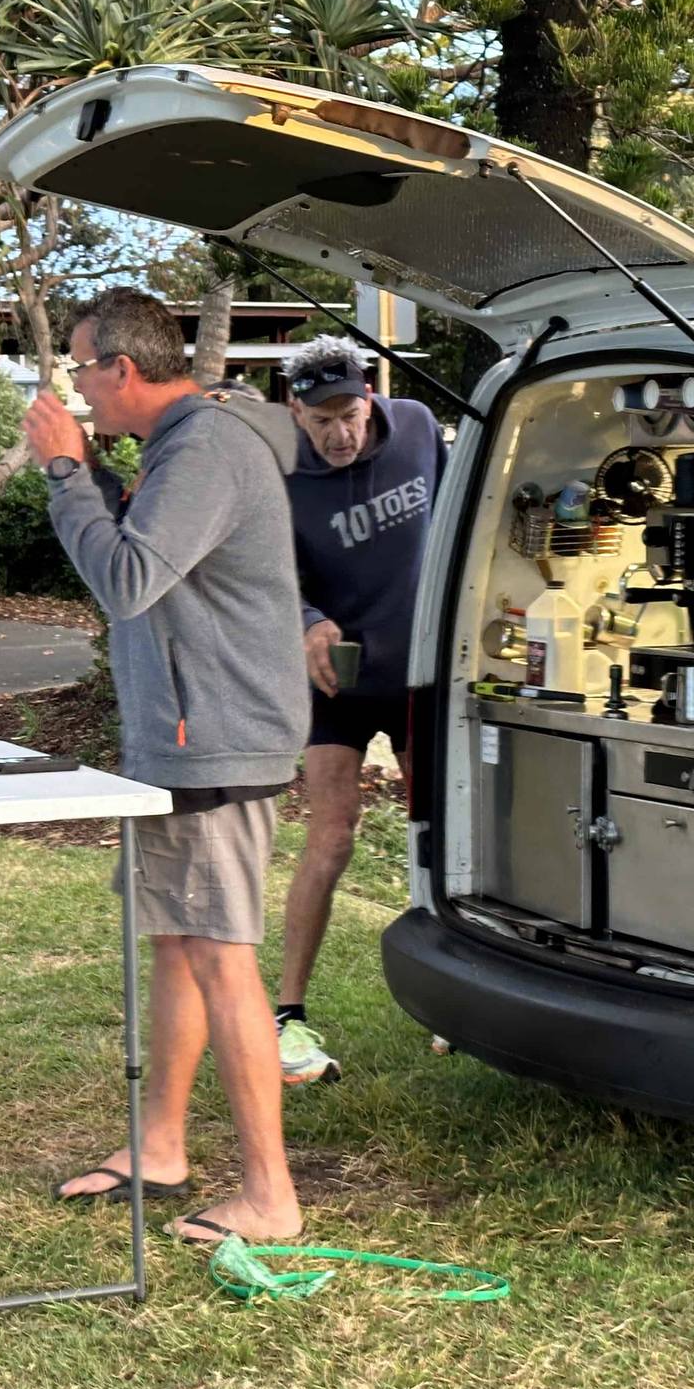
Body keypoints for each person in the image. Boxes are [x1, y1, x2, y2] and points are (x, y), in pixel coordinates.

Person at [24, 288, 309, 1246]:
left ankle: (270, 1197)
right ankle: (160, 1146)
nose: (78, 390)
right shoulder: (177, 449)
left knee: (221, 956)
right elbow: (148, 560)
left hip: (215, 740)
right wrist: (93, 476)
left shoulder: (206, 450)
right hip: (184, 739)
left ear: (123, 370)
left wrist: (67, 471)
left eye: (81, 370)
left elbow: (128, 579)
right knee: (179, 944)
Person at [274, 335, 444, 1085]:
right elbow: (271, 572)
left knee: (439, 835)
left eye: (348, 413)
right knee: (332, 836)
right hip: (336, 677)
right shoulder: (283, 475)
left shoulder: (416, 426)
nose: (339, 434)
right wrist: (309, 618)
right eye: (321, 422)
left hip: (420, 672)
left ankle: (454, 1006)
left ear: (370, 393)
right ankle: (288, 1019)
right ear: (295, 413)